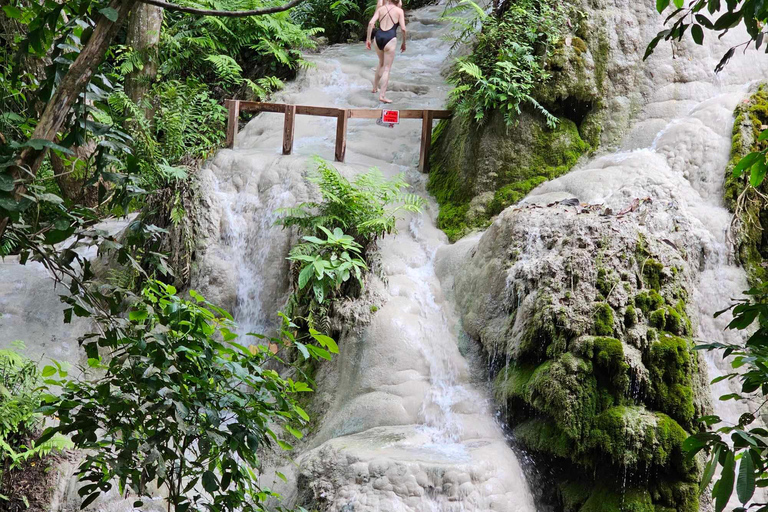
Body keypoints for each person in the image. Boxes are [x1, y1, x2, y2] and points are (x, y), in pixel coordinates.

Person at [366, 0, 406, 104]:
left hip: (378, 37)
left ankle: (374, 88)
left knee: (381, 63)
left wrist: (368, 39)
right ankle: (382, 96)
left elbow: (371, 23)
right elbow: (403, 29)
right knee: (387, 69)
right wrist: (404, 43)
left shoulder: (381, 9)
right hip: (390, 39)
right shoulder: (399, 11)